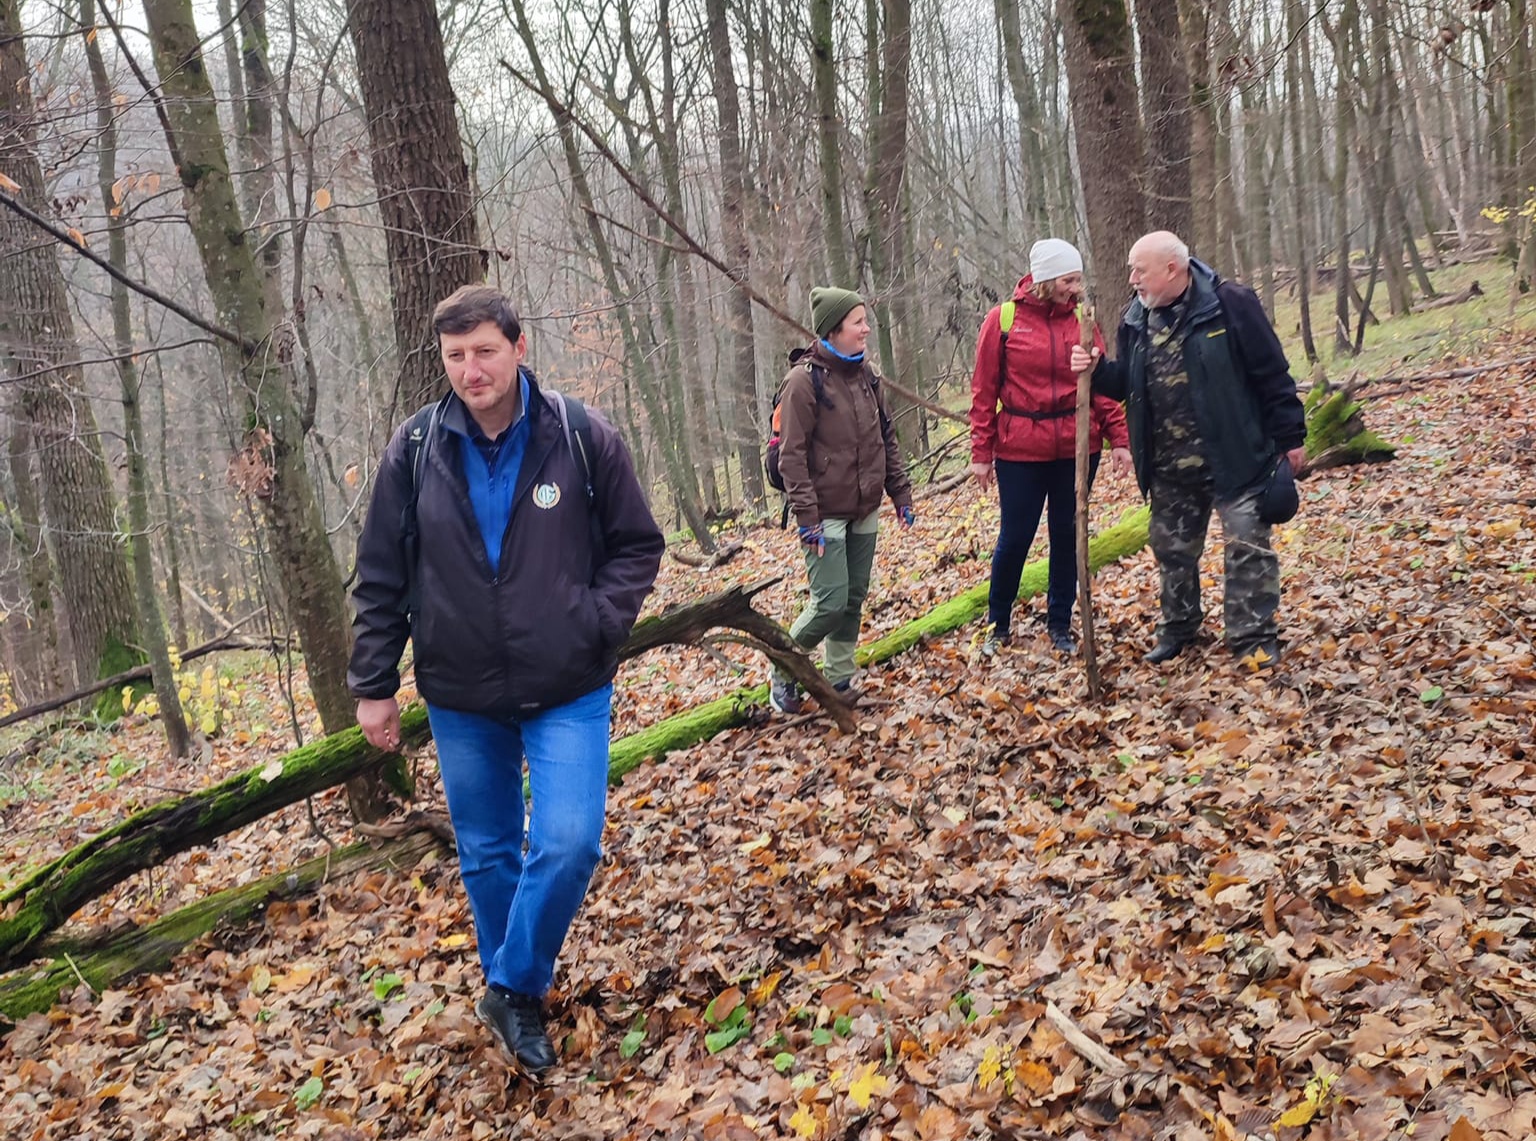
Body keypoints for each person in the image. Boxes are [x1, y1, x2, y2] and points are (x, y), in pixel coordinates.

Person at [347, 284, 664, 1076]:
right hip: (462, 693)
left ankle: (509, 985)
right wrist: (374, 681)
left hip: (567, 684)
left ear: (518, 347)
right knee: (488, 853)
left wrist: (592, 621)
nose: (470, 369)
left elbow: (637, 544)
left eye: (484, 350)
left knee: (567, 842)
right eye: (455, 356)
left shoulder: (581, 435)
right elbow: (380, 572)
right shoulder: (416, 449)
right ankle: (517, 1003)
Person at [1072, 230, 1307, 667]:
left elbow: (1272, 373)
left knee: (1248, 549)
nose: (1132, 279)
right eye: (1130, 270)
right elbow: (1130, 383)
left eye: (1139, 270)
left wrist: (1291, 437)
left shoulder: (1231, 304)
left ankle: (1253, 638)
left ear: (1172, 269)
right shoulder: (1135, 319)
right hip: (1169, 466)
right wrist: (1097, 371)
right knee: (1173, 553)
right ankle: (1178, 629)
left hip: (1237, 457)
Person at [969, 238, 1132, 656]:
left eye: (1078, 279)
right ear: (1043, 279)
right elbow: (984, 391)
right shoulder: (1003, 321)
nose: (1075, 287)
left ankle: (1060, 623)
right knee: (1016, 536)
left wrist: (1119, 440)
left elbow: (1101, 385)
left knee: (1067, 534)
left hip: (1077, 449)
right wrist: (981, 454)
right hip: (1020, 451)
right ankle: (997, 623)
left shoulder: (1082, 319)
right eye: (1067, 279)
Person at [769, 286, 915, 713]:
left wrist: (900, 494)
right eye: (858, 322)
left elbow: (886, 438)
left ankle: (838, 679)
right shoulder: (803, 381)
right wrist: (807, 518)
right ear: (834, 329)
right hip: (822, 513)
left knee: (853, 599)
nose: (867, 328)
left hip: (865, 508)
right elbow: (791, 458)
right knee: (830, 601)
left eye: (865, 321)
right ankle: (783, 671)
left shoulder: (868, 376)